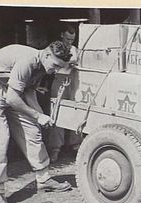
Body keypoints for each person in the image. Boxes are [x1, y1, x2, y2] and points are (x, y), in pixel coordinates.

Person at [0, 41, 73, 203]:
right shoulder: (28, 61)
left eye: (60, 67)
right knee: (0, 139)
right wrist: (38, 116)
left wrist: (40, 116)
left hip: (11, 90)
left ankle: (43, 179)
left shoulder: (42, 66)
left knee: (32, 130)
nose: (55, 70)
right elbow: (13, 98)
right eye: (55, 65)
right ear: (46, 55)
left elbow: (27, 91)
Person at [47, 24, 82, 163]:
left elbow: (76, 60)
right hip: (59, 79)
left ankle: (75, 144)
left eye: (72, 40)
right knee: (57, 112)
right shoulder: (54, 47)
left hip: (72, 80)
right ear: (62, 35)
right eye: (67, 39)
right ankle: (55, 148)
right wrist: (68, 62)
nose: (69, 42)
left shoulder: (74, 49)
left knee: (75, 111)